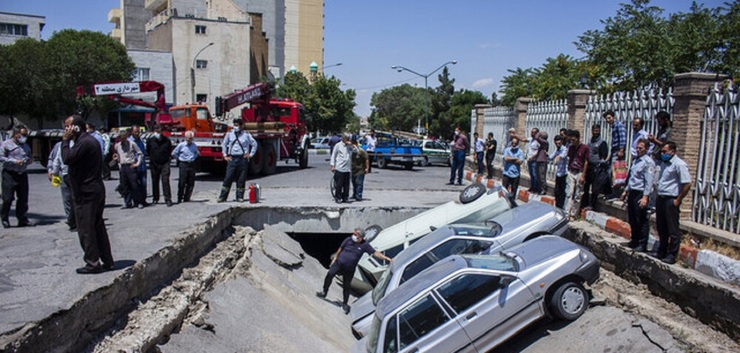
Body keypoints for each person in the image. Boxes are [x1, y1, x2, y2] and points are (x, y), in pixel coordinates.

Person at [61, 115, 114, 274]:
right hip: (94, 189)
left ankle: (92, 263)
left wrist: (65, 141)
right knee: (97, 227)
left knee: (86, 228)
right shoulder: (88, 141)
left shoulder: (83, 142)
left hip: (86, 192)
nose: (66, 130)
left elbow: (67, 158)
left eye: (67, 127)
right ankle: (107, 260)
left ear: (76, 128)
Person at [316, 228, 393, 314]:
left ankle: (345, 304)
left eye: (356, 235)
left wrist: (387, 258)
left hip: (349, 269)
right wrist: (335, 258)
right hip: (339, 263)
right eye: (354, 234)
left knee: (347, 285)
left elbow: (375, 253)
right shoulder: (348, 240)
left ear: (361, 237)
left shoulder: (365, 245)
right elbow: (340, 248)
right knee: (330, 274)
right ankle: (324, 291)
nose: (354, 236)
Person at [654, 141, 691, 264]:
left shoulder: (679, 165)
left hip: (671, 199)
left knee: (672, 228)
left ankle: (672, 254)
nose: (662, 153)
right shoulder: (665, 163)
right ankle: (662, 250)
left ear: (673, 152)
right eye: (662, 151)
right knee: (661, 226)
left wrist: (678, 200)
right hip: (661, 197)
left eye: (665, 151)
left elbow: (687, 184)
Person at [621, 139, 655, 253]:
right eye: (637, 148)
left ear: (646, 148)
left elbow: (648, 182)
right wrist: (626, 191)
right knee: (632, 218)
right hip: (633, 191)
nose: (638, 150)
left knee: (641, 219)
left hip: (641, 193)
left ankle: (642, 243)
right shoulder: (636, 161)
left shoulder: (648, 162)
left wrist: (645, 197)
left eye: (641, 148)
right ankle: (634, 239)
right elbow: (632, 178)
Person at [218, 119, 258, 202]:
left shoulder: (246, 134)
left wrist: (250, 155)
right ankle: (222, 197)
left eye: (239, 125)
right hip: (232, 158)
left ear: (242, 125)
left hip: (242, 159)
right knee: (228, 178)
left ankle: (240, 197)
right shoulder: (229, 134)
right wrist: (225, 155)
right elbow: (224, 144)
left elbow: (254, 144)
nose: (237, 127)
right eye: (236, 125)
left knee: (241, 179)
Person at [0, 127, 32, 228]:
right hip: (9, 174)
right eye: (23, 134)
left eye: (26, 135)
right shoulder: (6, 144)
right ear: (16, 134)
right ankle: (5, 218)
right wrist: (14, 161)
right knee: (8, 198)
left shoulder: (26, 146)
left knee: (23, 198)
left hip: (22, 174)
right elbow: (1, 157)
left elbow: (29, 156)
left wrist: (28, 160)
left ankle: (22, 219)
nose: (24, 137)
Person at [113, 129, 147, 209]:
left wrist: (137, 163)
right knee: (124, 185)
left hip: (130, 165)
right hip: (123, 166)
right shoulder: (117, 146)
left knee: (134, 185)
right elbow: (118, 155)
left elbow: (140, 153)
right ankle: (127, 202)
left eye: (124, 137)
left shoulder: (132, 144)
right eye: (121, 138)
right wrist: (119, 164)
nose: (122, 139)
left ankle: (137, 202)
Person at [647, 111, 672, 212]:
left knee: (657, 182)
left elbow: (667, 146)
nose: (659, 123)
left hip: (663, 160)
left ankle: (655, 205)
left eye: (660, 121)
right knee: (651, 181)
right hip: (656, 157)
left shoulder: (670, 131)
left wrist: (655, 141)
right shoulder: (661, 130)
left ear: (666, 120)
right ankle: (652, 202)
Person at [48, 140, 76, 231]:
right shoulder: (61, 146)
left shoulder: (74, 144)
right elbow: (55, 159)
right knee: (70, 198)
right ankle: (72, 220)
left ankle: (72, 220)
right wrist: (54, 173)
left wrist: (54, 173)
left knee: (69, 199)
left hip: (68, 175)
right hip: (68, 175)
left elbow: (56, 161)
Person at [581, 124, 609, 210]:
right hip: (588, 166)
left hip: (596, 167)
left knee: (594, 188)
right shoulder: (590, 141)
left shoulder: (602, 142)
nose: (595, 132)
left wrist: (600, 165)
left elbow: (604, 157)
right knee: (586, 186)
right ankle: (584, 203)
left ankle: (592, 205)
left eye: (597, 130)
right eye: (594, 130)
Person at [564, 130, 590, 220]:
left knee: (578, 194)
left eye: (574, 140)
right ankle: (567, 212)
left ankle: (573, 214)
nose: (573, 142)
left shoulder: (584, 148)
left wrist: (583, 175)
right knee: (569, 193)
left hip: (579, 171)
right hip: (571, 171)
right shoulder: (571, 148)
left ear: (578, 139)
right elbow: (569, 158)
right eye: (571, 140)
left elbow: (586, 162)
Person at [146, 124, 174, 207]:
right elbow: (148, 151)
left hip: (165, 163)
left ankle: (168, 199)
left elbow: (169, 151)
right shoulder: (150, 140)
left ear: (162, 131)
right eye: (156, 131)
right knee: (155, 181)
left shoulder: (167, 140)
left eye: (160, 131)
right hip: (154, 164)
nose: (158, 133)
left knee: (165, 181)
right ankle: (155, 198)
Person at [604, 111, 627, 201]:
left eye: (609, 118)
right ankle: (614, 193)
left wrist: (621, 150)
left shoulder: (619, 125)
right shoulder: (614, 126)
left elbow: (623, 138)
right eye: (606, 119)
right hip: (614, 151)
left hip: (618, 151)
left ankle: (617, 194)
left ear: (613, 117)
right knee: (612, 173)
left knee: (614, 173)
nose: (608, 120)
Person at [171, 131, 200, 203]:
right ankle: (180, 197)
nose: (188, 140)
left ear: (192, 138)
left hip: (191, 164)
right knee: (182, 181)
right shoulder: (181, 145)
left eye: (190, 138)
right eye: (187, 138)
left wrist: (194, 158)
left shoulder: (194, 145)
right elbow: (174, 153)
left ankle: (187, 198)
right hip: (183, 164)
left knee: (191, 182)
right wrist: (179, 159)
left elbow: (197, 153)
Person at [330, 133, 352, 203]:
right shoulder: (338, 145)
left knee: (346, 185)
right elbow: (333, 155)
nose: (348, 139)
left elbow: (356, 151)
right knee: (339, 184)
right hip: (340, 167)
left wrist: (351, 145)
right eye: (346, 138)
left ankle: (345, 197)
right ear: (343, 138)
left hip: (347, 168)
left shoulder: (349, 146)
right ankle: (338, 197)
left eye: (348, 138)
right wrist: (332, 165)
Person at [502, 136, 524, 202]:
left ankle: (512, 202)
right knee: (504, 189)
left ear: (517, 144)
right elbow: (505, 159)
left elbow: (520, 162)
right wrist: (515, 158)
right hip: (507, 173)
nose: (514, 145)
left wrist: (510, 158)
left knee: (514, 189)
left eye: (515, 143)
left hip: (515, 174)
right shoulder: (507, 150)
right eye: (513, 143)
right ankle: (504, 201)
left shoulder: (520, 151)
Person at [549, 135, 568, 209]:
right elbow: (551, 157)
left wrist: (558, 157)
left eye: (559, 143)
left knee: (562, 191)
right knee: (557, 191)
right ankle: (557, 206)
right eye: (556, 143)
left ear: (562, 142)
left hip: (564, 173)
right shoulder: (556, 150)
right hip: (558, 173)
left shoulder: (565, 149)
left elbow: (563, 155)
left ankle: (562, 207)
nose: (557, 145)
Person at [129, 125, 148, 198]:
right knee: (135, 185)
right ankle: (137, 200)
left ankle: (143, 200)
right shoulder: (129, 141)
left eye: (138, 131)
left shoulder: (141, 141)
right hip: (133, 165)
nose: (137, 133)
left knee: (143, 184)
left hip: (142, 166)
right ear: (131, 132)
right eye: (135, 132)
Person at [350, 136, 369, 201]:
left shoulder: (361, 151)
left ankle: (359, 196)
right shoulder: (351, 151)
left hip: (360, 170)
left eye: (354, 144)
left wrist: (367, 168)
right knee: (354, 183)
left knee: (359, 183)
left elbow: (366, 159)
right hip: (353, 170)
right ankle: (355, 194)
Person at [533, 130, 549, 195]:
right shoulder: (542, 144)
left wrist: (538, 133)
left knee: (542, 176)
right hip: (539, 160)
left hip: (542, 161)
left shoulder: (545, 142)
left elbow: (536, 138)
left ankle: (543, 189)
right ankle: (540, 188)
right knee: (538, 175)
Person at [525, 128, 541, 193]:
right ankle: (532, 187)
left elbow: (540, 151)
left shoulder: (538, 141)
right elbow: (524, 139)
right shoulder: (531, 140)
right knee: (531, 174)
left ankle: (535, 188)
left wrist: (533, 157)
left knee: (535, 174)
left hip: (534, 160)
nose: (532, 134)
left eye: (534, 132)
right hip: (529, 160)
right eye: (531, 132)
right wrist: (515, 136)